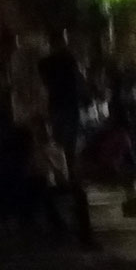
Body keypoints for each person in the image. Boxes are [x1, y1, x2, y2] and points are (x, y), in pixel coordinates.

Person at [37, 41, 95, 247]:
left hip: (55, 121)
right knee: (73, 178)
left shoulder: (46, 72)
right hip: (68, 121)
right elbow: (84, 95)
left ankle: (58, 227)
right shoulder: (71, 73)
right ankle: (83, 235)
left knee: (54, 176)